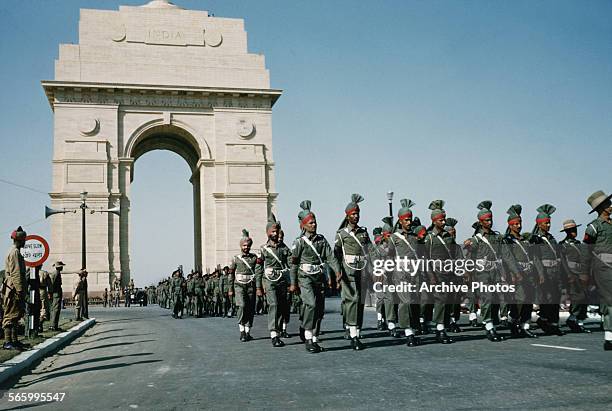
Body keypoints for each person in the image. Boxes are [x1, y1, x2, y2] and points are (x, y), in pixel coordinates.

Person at [289, 200, 340, 353]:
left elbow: (330, 257)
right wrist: (293, 283)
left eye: (315, 222)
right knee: (310, 304)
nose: (314, 225)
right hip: (304, 277)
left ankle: (312, 334)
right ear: (303, 225)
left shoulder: (321, 240)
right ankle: (308, 337)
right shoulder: (298, 243)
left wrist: (337, 271)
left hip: (319, 277)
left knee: (318, 308)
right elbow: (294, 264)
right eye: (310, 223)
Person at [464, 201, 505, 342]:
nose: (490, 222)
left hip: (495, 272)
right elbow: (469, 257)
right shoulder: (476, 239)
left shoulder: (496, 237)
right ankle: (488, 325)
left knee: (496, 298)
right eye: (487, 220)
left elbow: (505, 256)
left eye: (491, 219)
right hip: (482, 273)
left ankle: (492, 320)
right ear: (481, 222)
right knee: (486, 298)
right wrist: (468, 272)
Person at [334, 194, 371, 351]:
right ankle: (353, 333)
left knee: (360, 302)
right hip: (348, 271)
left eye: (357, 214)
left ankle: (357, 329)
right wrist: (337, 272)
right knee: (352, 299)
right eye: (353, 214)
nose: (356, 216)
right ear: (347, 215)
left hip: (362, 270)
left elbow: (370, 251)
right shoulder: (341, 235)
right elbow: (335, 255)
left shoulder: (363, 233)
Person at [388, 200, 425, 346]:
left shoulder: (414, 236)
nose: (409, 222)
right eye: (406, 220)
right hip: (401, 273)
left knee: (415, 301)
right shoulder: (394, 238)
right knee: (406, 300)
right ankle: (408, 331)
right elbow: (390, 256)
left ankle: (414, 329)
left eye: (410, 219)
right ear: (400, 221)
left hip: (415, 273)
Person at [501, 205, 538, 338]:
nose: (518, 226)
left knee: (528, 300)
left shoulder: (524, 240)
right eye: (515, 224)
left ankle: (525, 326)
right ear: (510, 226)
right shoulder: (507, 241)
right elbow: (508, 258)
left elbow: (533, 258)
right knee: (519, 299)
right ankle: (513, 321)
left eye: (519, 223)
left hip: (529, 274)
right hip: (517, 275)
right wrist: (516, 273)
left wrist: (538, 273)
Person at [582, 190, 612, 350]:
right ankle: (609, 338)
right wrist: (585, 272)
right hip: (602, 268)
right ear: (601, 207)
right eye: (607, 204)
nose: (611, 206)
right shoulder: (593, 227)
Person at [256, 215, 291, 347]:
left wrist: (292, 282)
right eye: (273, 231)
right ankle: (274, 334)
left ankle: (281, 329)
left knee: (282, 306)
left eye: (277, 231)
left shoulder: (284, 248)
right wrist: (259, 287)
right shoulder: (263, 249)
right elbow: (259, 269)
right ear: (268, 232)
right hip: (269, 281)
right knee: (274, 305)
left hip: (282, 281)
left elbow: (290, 265)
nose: (275, 234)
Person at [423, 201, 455, 344]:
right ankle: (439, 329)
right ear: (434, 221)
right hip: (436, 274)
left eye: (444, 219)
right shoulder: (429, 238)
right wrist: (430, 276)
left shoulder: (448, 237)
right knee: (440, 300)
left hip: (449, 273)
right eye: (441, 220)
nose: (443, 222)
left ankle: (442, 326)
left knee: (448, 300)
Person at [531, 204, 565, 336]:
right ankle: (545, 320)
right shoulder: (536, 239)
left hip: (555, 272)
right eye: (546, 223)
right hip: (544, 272)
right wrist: (540, 273)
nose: (549, 225)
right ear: (539, 224)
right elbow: (535, 258)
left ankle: (553, 323)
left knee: (555, 297)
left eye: (549, 222)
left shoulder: (551, 238)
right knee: (547, 298)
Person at [559, 219, 590, 333]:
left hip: (581, 273)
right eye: (571, 230)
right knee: (577, 297)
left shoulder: (579, 244)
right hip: (571, 274)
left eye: (575, 229)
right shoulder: (563, 245)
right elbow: (562, 261)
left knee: (584, 297)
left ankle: (578, 321)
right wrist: (568, 275)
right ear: (566, 232)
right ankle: (572, 319)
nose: (574, 231)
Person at [229, 229, 259, 342]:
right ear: (241, 246)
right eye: (244, 245)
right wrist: (230, 288)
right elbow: (231, 274)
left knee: (250, 309)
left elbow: (259, 272)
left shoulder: (254, 258)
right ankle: (241, 331)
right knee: (241, 306)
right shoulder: (236, 258)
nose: (246, 247)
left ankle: (247, 332)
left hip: (251, 285)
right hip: (239, 285)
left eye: (248, 245)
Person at [2, 226, 28, 350]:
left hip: (14, 286)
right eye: (24, 239)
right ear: (19, 240)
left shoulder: (16, 251)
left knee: (17, 314)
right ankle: (8, 342)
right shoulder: (15, 252)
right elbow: (16, 273)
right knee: (11, 314)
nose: (25, 241)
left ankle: (14, 340)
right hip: (13, 287)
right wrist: (19, 290)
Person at [48, 261, 64, 330]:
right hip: (56, 293)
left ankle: (54, 325)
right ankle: (53, 325)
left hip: (56, 292)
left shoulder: (57, 273)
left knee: (55, 309)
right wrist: (50, 293)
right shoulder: (55, 273)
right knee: (55, 309)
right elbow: (51, 284)